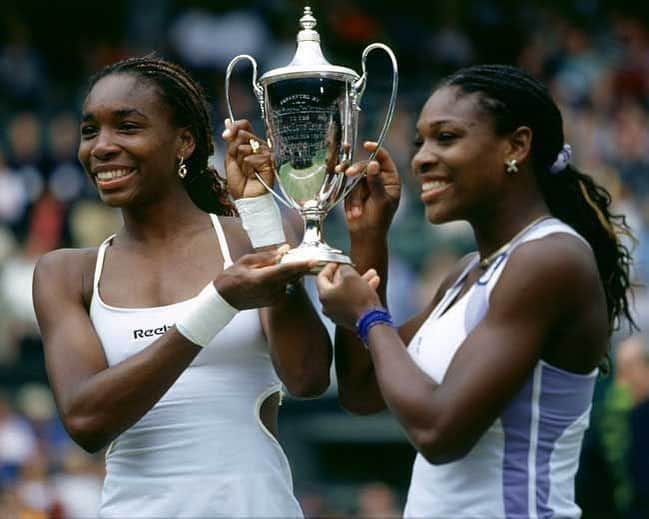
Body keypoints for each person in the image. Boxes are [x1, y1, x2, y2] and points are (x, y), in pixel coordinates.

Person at [315, 64, 636, 518]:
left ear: (517, 146)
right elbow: (363, 392)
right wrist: (369, 239)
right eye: (420, 142)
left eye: (446, 137)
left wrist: (369, 316)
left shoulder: (549, 258)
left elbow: (439, 433)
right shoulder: (467, 272)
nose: (421, 158)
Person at [32, 55, 333, 517]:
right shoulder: (66, 273)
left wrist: (262, 220)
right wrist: (216, 304)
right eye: (90, 130)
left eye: (128, 127)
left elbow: (308, 377)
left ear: (184, 142)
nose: (102, 146)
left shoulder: (248, 240)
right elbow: (86, 420)